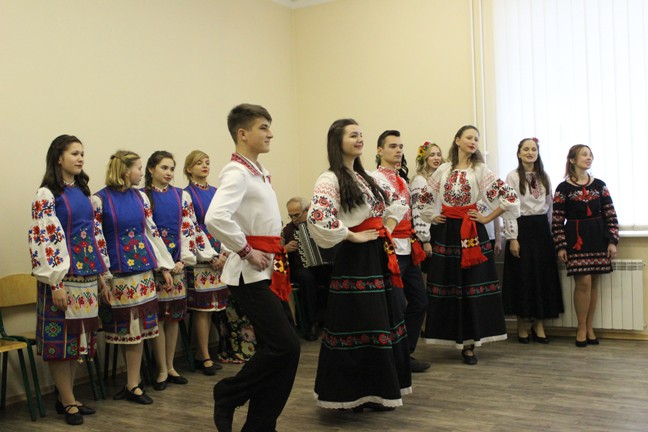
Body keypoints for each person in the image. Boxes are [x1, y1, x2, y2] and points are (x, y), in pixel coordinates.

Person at [206, 103, 300, 432]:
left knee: (284, 350)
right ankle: (228, 393)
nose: (270, 133)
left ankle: (260, 425)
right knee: (285, 346)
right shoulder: (236, 172)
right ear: (242, 134)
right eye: (263, 127)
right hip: (249, 274)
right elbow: (216, 217)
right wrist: (246, 250)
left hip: (268, 270)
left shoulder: (257, 171)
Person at [308, 118, 411, 411]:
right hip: (355, 260)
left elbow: (395, 205)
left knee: (381, 320)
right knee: (361, 322)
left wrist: (386, 228)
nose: (359, 139)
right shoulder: (329, 178)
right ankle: (353, 394)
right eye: (353, 135)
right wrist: (351, 235)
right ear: (337, 141)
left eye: (361, 135)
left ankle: (379, 391)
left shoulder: (365, 177)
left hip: (377, 253)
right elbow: (318, 217)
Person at [420, 125, 519, 365]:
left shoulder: (480, 170)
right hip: (447, 232)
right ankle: (455, 337)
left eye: (476, 138)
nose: (473, 141)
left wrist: (487, 217)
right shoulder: (443, 169)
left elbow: (509, 197)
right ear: (457, 140)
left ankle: (470, 344)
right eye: (469, 137)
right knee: (451, 285)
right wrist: (432, 215)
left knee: (471, 286)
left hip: (472, 231)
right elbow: (424, 197)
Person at [28, 135, 105, 425]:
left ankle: (66, 397)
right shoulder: (47, 194)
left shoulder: (84, 192)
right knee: (61, 343)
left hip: (86, 275)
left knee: (76, 341)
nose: (80, 158)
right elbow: (43, 239)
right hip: (62, 277)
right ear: (59, 158)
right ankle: (69, 400)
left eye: (82, 153)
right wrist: (56, 282)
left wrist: (101, 274)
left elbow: (94, 234)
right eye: (74, 153)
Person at [93, 150, 175, 404]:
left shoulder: (141, 197)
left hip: (143, 271)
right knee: (127, 330)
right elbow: (97, 240)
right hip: (118, 274)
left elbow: (151, 233)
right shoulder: (99, 200)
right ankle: (132, 383)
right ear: (125, 170)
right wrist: (103, 277)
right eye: (139, 167)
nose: (141, 172)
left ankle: (133, 383)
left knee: (139, 329)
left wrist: (164, 267)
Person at [184, 150, 251, 373]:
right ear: (189, 169)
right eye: (199, 163)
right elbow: (191, 226)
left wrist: (224, 252)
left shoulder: (216, 192)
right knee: (202, 309)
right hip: (202, 257)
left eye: (207, 162)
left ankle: (218, 349)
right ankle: (203, 355)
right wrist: (210, 255)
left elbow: (227, 220)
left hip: (222, 254)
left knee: (218, 307)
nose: (205, 166)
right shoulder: (186, 195)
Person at [372, 130, 430, 373]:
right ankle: (391, 357)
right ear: (379, 150)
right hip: (390, 249)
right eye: (392, 146)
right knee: (395, 306)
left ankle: (405, 353)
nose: (398, 150)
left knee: (419, 301)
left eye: (400, 146)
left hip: (408, 246)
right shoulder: (373, 179)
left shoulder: (403, 181)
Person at [552, 144, 618, 347]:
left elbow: (610, 214)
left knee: (594, 282)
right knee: (583, 283)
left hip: (598, 238)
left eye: (590, 155)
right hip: (576, 240)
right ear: (572, 160)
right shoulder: (563, 188)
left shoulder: (600, 185)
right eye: (584, 155)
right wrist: (561, 246)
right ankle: (581, 327)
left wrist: (612, 241)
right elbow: (557, 220)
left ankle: (590, 327)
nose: (589, 158)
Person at [143, 151, 199, 390]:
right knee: (157, 319)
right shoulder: (143, 196)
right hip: (156, 267)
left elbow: (188, 227)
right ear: (151, 169)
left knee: (174, 318)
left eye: (171, 169)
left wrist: (183, 260)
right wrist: (162, 264)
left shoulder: (181, 195)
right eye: (164, 168)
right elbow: (147, 232)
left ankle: (171, 365)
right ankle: (161, 370)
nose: (168, 173)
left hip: (177, 266)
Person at [502, 138, 564, 343]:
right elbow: (508, 208)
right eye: (526, 149)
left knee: (542, 277)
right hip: (522, 229)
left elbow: (550, 207)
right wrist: (512, 238)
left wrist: (552, 233)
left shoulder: (544, 176)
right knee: (523, 276)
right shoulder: (512, 177)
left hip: (541, 230)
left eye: (534, 149)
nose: (530, 152)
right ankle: (521, 324)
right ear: (519, 153)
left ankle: (539, 324)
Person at [281, 196, 333, 341]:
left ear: (307, 210)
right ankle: (312, 323)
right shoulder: (287, 230)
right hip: (300, 269)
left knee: (334, 275)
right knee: (306, 278)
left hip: (322, 266)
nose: (294, 219)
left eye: (297, 215)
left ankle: (333, 319)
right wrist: (285, 249)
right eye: (291, 216)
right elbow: (278, 252)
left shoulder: (318, 224)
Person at [410, 141, 444, 276]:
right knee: (432, 272)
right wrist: (425, 240)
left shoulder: (443, 177)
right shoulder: (420, 180)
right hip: (430, 232)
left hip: (442, 229)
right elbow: (418, 210)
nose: (436, 158)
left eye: (439, 154)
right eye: (432, 155)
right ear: (425, 158)